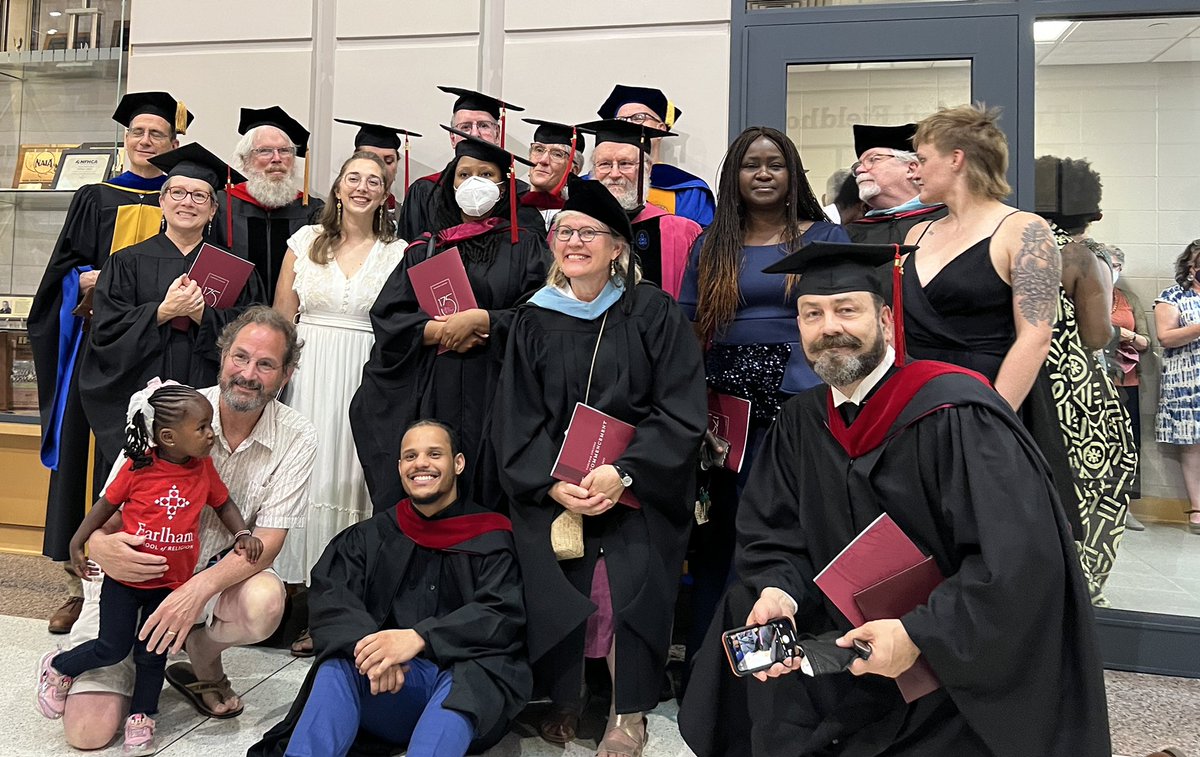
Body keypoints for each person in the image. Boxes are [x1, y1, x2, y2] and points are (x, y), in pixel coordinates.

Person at [678, 240, 1110, 757]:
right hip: (837, 646)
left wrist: (919, 633)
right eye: (811, 314)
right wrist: (780, 591)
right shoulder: (801, 422)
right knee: (745, 614)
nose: (828, 327)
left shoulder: (955, 413)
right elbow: (772, 532)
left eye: (847, 310)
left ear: (886, 320)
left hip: (944, 663)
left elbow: (1016, 559)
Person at [493, 178, 707, 755]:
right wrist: (553, 482)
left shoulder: (652, 311)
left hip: (638, 486)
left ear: (618, 248)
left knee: (623, 582)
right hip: (556, 488)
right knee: (559, 576)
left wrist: (626, 472)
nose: (576, 242)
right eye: (567, 231)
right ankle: (566, 697)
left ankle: (625, 708)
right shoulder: (533, 319)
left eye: (591, 233)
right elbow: (517, 417)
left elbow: (681, 408)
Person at [59, 307, 317, 749]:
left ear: (287, 374)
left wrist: (191, 594)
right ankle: (110, 660)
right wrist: (98, 547)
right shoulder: (168, 411)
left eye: (266, 364)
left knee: (266, 603)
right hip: (130, 583)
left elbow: (269, 543)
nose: (248, 374)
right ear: (223, 355)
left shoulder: (298, 435)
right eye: (241, 357)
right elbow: (109, 509)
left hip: (205, 580)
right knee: (88, 734)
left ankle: (202, 652)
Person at [248, 420, 531, 757]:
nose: (420, 463)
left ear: (458, 463)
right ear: (399, 468)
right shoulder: (370, 536)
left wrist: (418, 638)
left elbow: (501, 613)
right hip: (391, 686)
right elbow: (333, 596)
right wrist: (375, 652)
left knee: (467, 681)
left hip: (467, 686)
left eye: (434, 454)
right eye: (410, 456)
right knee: (338, 664)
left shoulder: (493, 536)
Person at [678, 125, 849, 671]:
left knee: (786, 525)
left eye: (775, 163)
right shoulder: (712, 244)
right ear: (734, 177)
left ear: (792, 171)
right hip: (726, 402)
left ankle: (782, 652)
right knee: (725, 529)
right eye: (752, 164)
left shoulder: (824, 238)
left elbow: (848, 318)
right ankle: (715, 660)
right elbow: (686, 322)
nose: (764, 173)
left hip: (802, 397)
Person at [27, 91, 193, 635]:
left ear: (175, 143)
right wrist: (87, 280)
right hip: (101, 347)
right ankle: (78, 583)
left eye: (158, 135)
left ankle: (145, 578)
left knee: (147, 466)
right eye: (137, 133)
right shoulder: (95, 196)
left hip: (164, 351)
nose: (145, 143)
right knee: (88, 457)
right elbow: (60, 273)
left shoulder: (187, 200)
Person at [36, 381, 262, 751]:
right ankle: (60, 667)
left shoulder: (203, 470)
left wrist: (241, 534)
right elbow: (105, 507)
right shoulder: (137, 468)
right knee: (112, 647)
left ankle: (142, 715)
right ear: (169, 436)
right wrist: (77, 542)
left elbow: (223, 505)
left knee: (153, 655)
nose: (211, 434)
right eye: (202, 427)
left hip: (170, 586)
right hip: (124, 582)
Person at [898, 105, 1080, 537]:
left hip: (989, 402)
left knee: (992, 537)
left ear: (956, 158)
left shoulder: (1024, 229)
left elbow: (1035, 336)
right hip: (919, 402)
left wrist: (990, 420)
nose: (914, 172)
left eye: (922, 160)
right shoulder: (915, 235)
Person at [350, 128, 550, 513]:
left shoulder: (526, 246)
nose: (474, 182)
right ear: (450, 183)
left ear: (505, 184)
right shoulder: (426, 249)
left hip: (497, 388)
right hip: (433, 389)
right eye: (464, 174)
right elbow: (390, 318)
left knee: (490, 485)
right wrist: (437, 330)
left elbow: (541, 314)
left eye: (487, 175)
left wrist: (485, 320)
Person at [272, 151, 406, 653]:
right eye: (354, 177)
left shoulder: (398, 252)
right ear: (338, 186)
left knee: (351, 483)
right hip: (307, 372)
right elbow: (283, 319)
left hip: (363, 373)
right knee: (303, 477)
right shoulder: (304, 243)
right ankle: (287, 602)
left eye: (374, 180)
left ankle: (333, 609)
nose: (363, 187)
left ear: (384, 193)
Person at [78, 143, 265, 486]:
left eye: (199, 196)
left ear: (212, 211)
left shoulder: (234, 270)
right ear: (162, 202)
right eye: (177, 192)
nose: (187, 202)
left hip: (208, 397)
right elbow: (104, 333)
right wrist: (160, 313)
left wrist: (203, 318)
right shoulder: (126, 262)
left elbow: (253, 335)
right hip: (142, 393)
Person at [1034, 154, 1137, 601]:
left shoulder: (1008, 249)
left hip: (1017, 385)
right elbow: (1096, 336)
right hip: (1075, 394)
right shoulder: (1078, 257)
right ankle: (1082, 591)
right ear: (1090, 210)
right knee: (1093, 490)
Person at [578, 118, 703, 298]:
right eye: (604, 164)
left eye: (625, 164)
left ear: (647, 168)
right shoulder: (570, 230)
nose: (614, 174)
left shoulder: (681, 232)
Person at [216, 105, 325, 297]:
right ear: (245, 160)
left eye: (285, 151)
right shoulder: (222, 205)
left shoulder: (313, 211)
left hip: (292, 319)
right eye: (265, 151)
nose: (277, 159)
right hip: (234, 318)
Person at [397, 86, 526, 242]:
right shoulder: (425, 192)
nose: (474, 134)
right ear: (452, 138)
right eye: (465, 127)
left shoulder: (518, 194)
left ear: (497, 134)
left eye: (483, 125)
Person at [596, 84, 716, 227]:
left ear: (661, 129)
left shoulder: (688, 191)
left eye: (638, 117)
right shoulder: (590, 184)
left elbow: (699, 243)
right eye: (621, 120)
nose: (628, 125)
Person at [1154, 240, 1200, 535]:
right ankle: (1197, 509)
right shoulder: (1172, 296)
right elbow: (1166, 337)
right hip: (1188, 381)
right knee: (1193, 446)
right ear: (1190, 266)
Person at [844, 123, 948, 244]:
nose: (859, 170)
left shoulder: (949, 221)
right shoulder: (849, 234)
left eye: (873, 159)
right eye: (859, 164)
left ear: (912, 169)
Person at [1105, 245, 1150, 511]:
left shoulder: (1128, 298)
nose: (1109, 271)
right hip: (1095, 383)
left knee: (1128, 443)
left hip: (1127, 382)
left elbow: (1147, 341)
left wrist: (1126, 335)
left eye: (1114, 266)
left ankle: (1126, 505)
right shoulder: (1084, 296)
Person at [333, 118, 421, 232]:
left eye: (388, 160)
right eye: (372, 159)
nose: (380, 167)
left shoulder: (408, 216)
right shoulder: (323, 219)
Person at [520, 117, 586, 226]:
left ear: (573, 171)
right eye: (539, 150)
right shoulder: (507, 207)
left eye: (557, 154)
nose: (543, 160)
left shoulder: (582, 216)